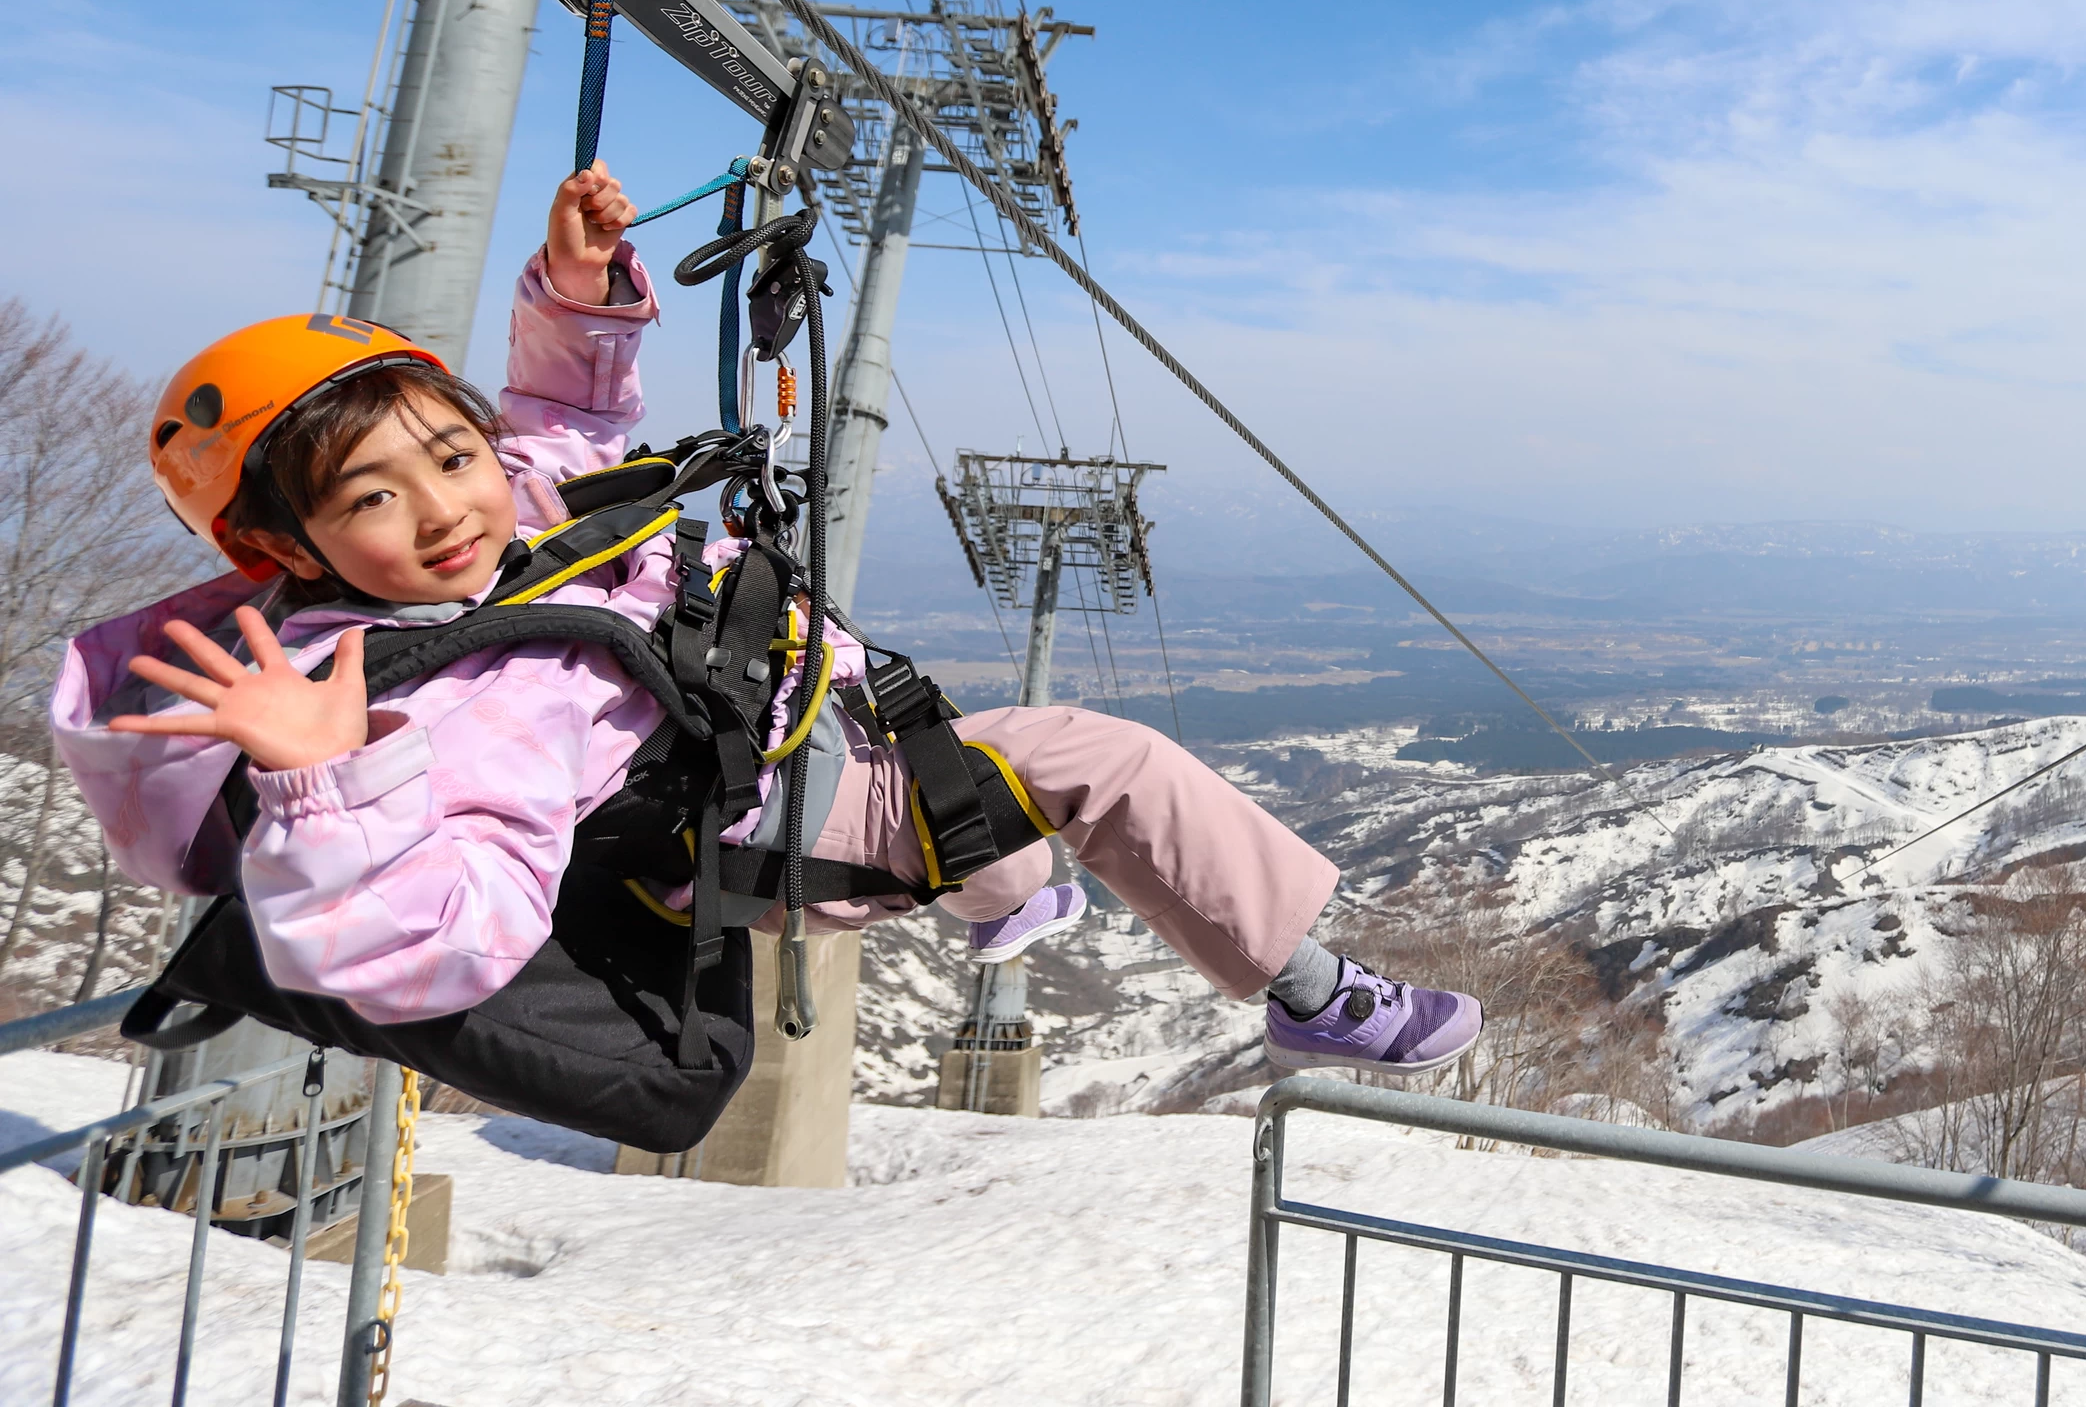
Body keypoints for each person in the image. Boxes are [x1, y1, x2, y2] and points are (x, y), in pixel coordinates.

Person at [52, 163, 1476, 1078]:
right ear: (279, 545)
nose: (443, 507)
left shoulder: (510, 509)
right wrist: (320, 781)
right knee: (1104, 766)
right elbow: (442, 945)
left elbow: (556, 426)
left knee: (974, 778)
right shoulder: (461, 697)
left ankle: (1007, 895)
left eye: (447, 452)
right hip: (789, 806)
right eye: (373, 496)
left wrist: (578, 291)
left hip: (811, 731)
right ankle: (1311, 990)